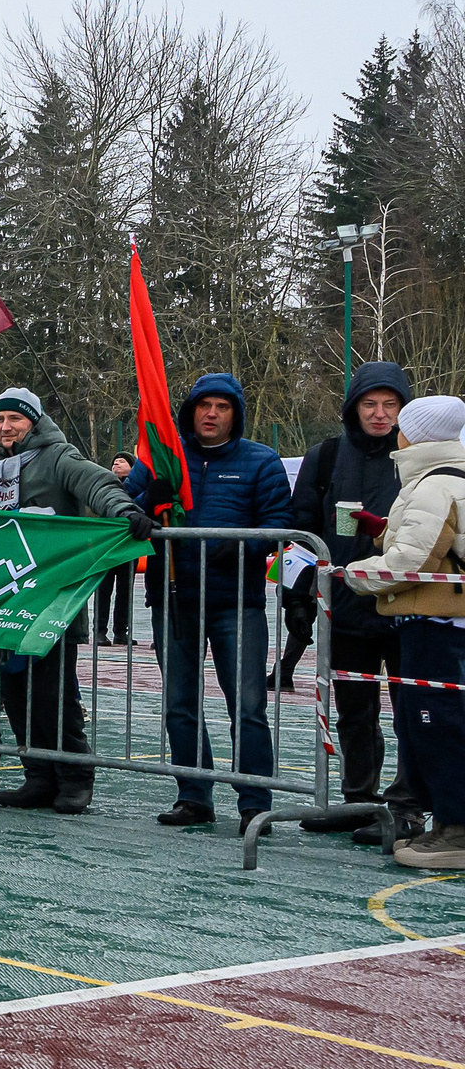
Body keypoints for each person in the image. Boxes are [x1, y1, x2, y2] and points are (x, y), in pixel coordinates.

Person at [0, 388, 153, 814]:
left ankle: (74, 777)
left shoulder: (59, 457)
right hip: (3, 602)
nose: (5, 427)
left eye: (15, 418)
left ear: (34, 421)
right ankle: (38, 776)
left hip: (54, 601)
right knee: (15, 693)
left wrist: (123, 511)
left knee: (54, 693)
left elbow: (98, 485)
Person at [128, 373, 293, 833]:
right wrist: (147, 497)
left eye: (222, 406)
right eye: (204, 405)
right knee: (179, 702)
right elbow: (122, 512)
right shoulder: (162, 459)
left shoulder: (261, 461)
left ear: (235, 414)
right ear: (189, 411)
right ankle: (193, 795)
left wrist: (247, 546)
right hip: (173, 598)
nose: (212, 414)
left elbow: (280, 521)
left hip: (236, 601)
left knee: (247, 705)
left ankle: (255, 802)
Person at [344, 395, 465, 866]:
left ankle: (457, 828)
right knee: (430, 723)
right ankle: (447, 822)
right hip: (439, 620)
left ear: (411, 433)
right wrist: (384, 528)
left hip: (438, 623)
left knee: (439, 725)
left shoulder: (433, 485)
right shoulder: (442, 479)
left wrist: (350, 573)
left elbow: (413, 562)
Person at [288, 360, 413, 805]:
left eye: (390, 404)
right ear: (353, 408)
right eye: (370, 404)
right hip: (343, 607)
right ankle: (358, 796)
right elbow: (299, 533)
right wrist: (296, 598)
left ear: (404, 409)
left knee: (414, 712)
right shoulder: (324, 458)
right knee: (354, 712)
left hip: (407, 609)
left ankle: (408, 801)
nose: (380, 414)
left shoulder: (419, 461)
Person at [95, 453, 141, 647]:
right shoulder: (104, 486)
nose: (116, 464)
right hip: (107, 545)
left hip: (129, 544)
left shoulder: (138, 488)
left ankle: (121, 631)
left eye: (122, 461)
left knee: (125, 591)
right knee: (103, 589)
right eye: (114, 461)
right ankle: (99, 631)